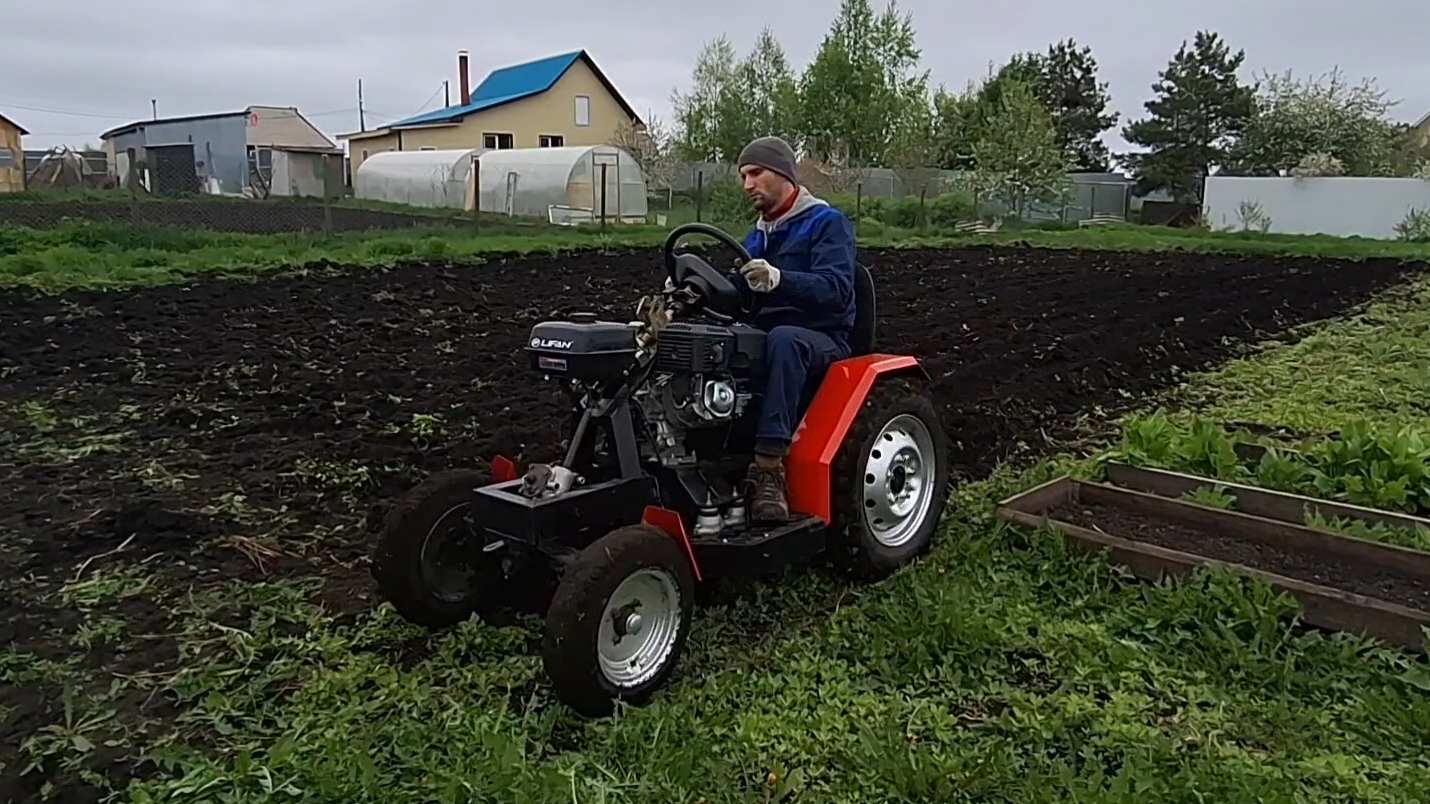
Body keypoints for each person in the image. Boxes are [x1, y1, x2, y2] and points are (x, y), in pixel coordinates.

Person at [732, 135, 858, 523]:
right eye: (742, 176)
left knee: (784, 339)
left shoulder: (826, 223)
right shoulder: (755, 237)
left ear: (783, 174)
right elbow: (734, 291)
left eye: (756, 173)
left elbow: (836, 290)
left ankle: (769, 468)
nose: (747, 184)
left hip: (821, 338)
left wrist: (780, 280)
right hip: (769, 337)